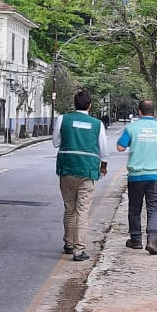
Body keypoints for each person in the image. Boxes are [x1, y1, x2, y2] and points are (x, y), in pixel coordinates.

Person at [53, 90, 111, 261]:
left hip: (66, 169)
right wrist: (104, 167)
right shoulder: (97, 124)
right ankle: (79, 250)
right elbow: (104, 151)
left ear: (74, 103)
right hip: (88, 172)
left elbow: (55, 142)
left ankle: (68, 244)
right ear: (90, 105)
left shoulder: (62, 119)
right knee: (83, 211)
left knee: (69, 209)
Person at [117, 98, 157, 255]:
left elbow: (120, 147)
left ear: (139, 111)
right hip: (156, 176)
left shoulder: (132, 128)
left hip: (136, 176)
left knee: (134, 208)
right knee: (155, 208)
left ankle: (136, 239)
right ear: (154, 112)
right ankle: (152, 239)